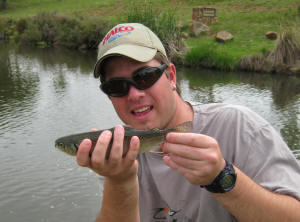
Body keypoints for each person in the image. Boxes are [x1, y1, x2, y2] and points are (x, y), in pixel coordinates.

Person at [76, 23, 300, 222]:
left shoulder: (239, 127)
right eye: (117, 86)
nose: (134, 94)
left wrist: (222, 178)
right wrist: (119, 182)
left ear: (171, 76)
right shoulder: (118, 154)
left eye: (145, 76)